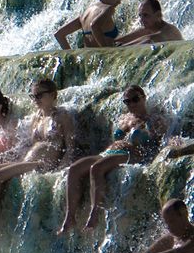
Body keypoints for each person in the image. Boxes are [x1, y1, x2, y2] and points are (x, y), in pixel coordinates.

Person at [0, 80, 75, 243]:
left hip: (43, 164)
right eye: (33, 96)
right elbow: (25, 144)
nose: (35, 99)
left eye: (39, 95)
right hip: (27, 161)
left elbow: (70, 147)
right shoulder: (36, 117)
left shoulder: (62, 116)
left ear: (53, 94)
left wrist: (63, 168)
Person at [59, 85, 166, 233]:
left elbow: (161, 141)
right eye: (127, 101)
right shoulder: (125, 118)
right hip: (110, 152)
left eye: (135, 99)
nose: (131, 104)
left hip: (131, 154)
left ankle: (94, 213)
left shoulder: (154, 119)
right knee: (74, 169)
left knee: (96, 168)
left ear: (143, 97)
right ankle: (70, 217)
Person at [54, 0, 127, 49]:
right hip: (105, 57)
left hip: (89, 57)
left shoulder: (86, 13)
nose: (119, 1)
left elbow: (59, 35)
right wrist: (106, 50)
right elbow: (94, 25)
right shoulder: (108, 9)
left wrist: (71, 56)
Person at [115, 0, 183, 46]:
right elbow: (122, 40)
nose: (141, 20)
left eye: (145, 15)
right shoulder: (148, 28)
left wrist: (122, 47)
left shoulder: (169, 30)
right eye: (140, 15)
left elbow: (149, 40)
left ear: (158, 15)